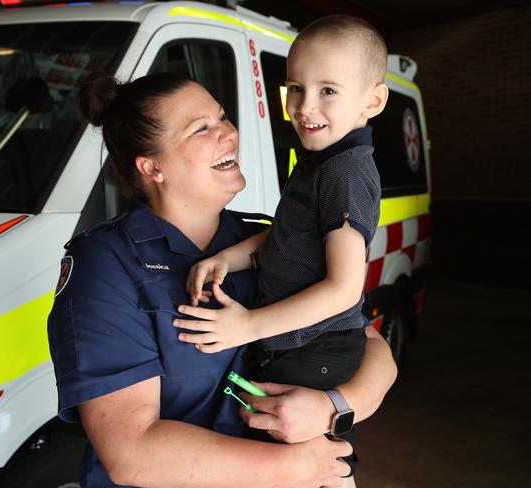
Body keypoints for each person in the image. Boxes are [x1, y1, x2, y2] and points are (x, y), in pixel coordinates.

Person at [47, 70, 396, 487]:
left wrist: (334, 405)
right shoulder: (106, 262)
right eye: (202, 128)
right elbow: (132, 452)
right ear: (152, 167)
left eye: (223, 117)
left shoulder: (263, 235)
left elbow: (372, 346)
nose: (228, 133)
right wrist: (299, 467)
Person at [176, 15, 390, 485]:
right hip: (298, 344)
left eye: (328, 90)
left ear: (372, 100)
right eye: (295, 88)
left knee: (311, 468)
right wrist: (225, 259)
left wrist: (246, 326)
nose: (303, 106)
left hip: (315, 347)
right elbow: (286, 238)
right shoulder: (319, 162)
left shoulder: (345, 172)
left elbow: (344, 288)